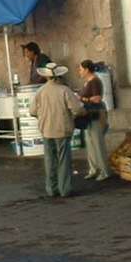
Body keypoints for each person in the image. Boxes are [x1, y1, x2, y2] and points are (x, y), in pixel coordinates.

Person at [28, 62, 84, 197]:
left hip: (46, 129)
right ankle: (65, 188)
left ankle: (52, 188)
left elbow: (32, 111)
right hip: (62, 129)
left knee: (49, 160)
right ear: (59, 76)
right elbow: (77, 109)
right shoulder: (64, 90)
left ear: (46, 77)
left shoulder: (40, 91)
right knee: (64, 160)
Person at [77, 60, 110, 181]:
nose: (79, 72)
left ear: (86, 70)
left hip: (96, 114)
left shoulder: (95, 82)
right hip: (88, 115)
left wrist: (83, 98)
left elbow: (97, 99)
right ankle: (94, 168)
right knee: (90, 142)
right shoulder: (87, 82)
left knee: (97, 143)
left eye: (80, 69)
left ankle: (104, 170)